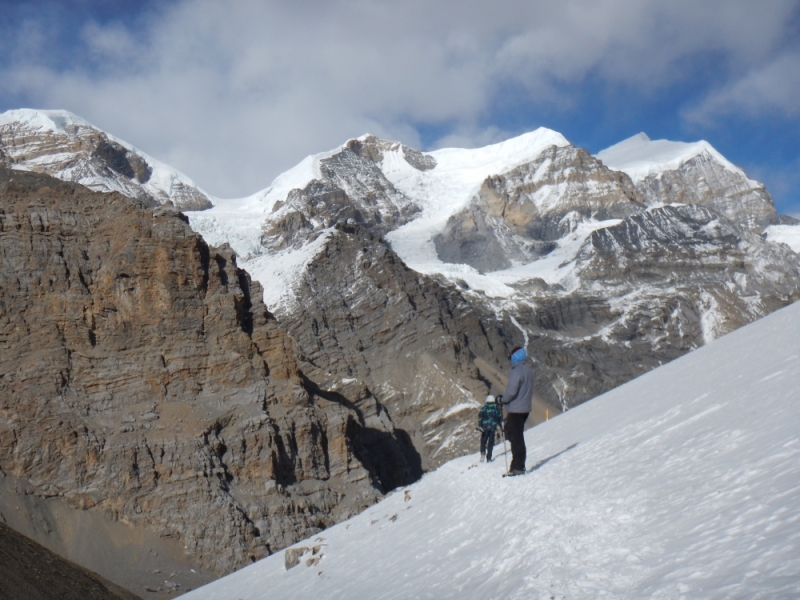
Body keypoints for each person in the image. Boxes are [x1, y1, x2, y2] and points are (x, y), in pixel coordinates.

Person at [499, 346, 534, 476]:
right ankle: (518, 466)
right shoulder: (528, 371)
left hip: (516, 409)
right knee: (515, 434)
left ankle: (517, 467)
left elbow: (511, 391)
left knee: (515, 437)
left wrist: (502, 400)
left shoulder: (516, 371)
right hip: (525, 408)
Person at [477, 395, 503, 462]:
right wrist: (501, 424)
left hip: (485, 428)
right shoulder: (496, 408)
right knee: (490, 443)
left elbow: (480, 417)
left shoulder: (484, 408)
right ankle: (489, 458)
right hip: (493, 428)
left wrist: (480, 425)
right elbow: (499, 416)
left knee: (483, 441)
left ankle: (483, 453)